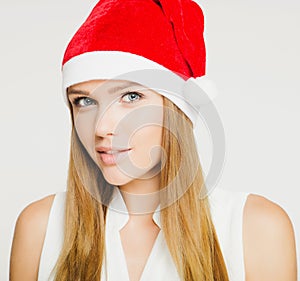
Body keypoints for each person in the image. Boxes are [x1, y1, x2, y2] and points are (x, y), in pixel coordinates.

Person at [10, 0, 297, 280]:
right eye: (85, 101)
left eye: (131, 97)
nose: (102, 126)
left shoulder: (256, 230)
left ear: (176, 109)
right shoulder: (39, 228)